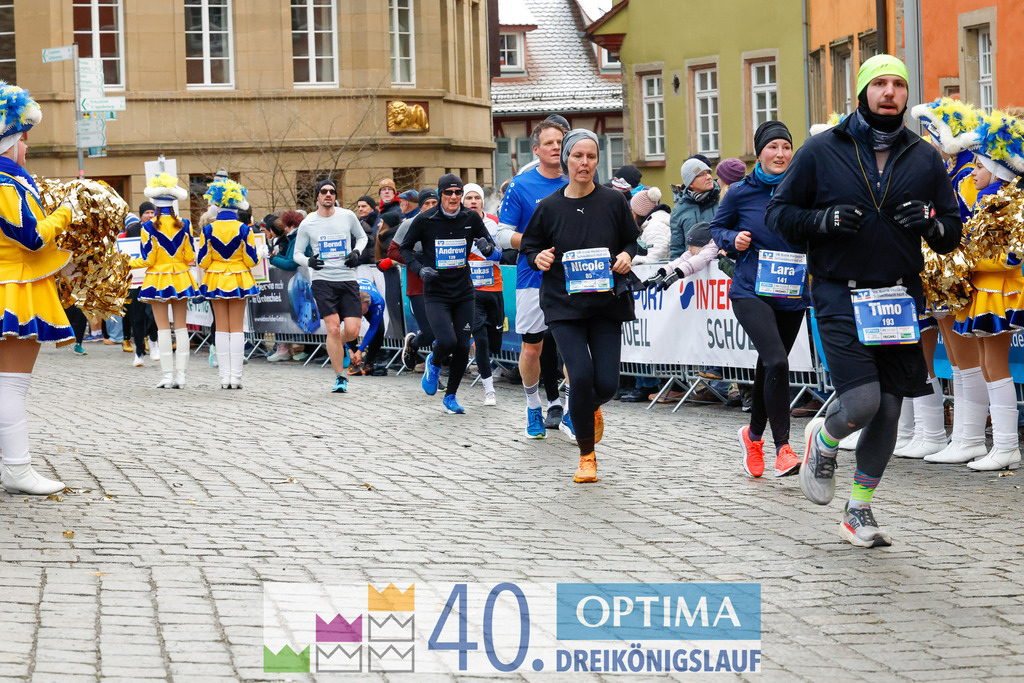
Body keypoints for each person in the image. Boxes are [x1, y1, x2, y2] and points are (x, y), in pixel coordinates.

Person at [766, 54, 962, 547]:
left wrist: (931, 225)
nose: (891, 92)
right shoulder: (820, 150)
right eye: (881, 84)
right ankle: (825, 437)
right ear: (863, 92)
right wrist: (821, 222)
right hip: (838, 292)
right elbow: (779, 213)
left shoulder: (923, 156)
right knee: (863, 401)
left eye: (899, 84)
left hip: (898, 297)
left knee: (891, 410)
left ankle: (859, 509)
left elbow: (951, 232)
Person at [520, 129, 639, 483]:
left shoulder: (613, 202)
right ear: (565, 160)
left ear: (597, 161)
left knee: (607, 384)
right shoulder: (549, 207)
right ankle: (587, 456)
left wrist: (625, 256)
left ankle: (592, 407)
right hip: (564, 307)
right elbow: (529, 247)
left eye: (590, 156)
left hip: (605, 305)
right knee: (581, 377)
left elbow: (632, 241)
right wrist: (537, 256)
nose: (584, 163)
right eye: (577, 156)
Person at [706, 121, 807, 478]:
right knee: (778, 362)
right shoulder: (740, 192)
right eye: (773, 147)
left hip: (792, 291)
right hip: (750, 290)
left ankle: (753, 436)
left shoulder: (801, 188)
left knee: (769, 365)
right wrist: (735, 239)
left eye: (785, 147)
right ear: (759, 152)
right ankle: (783, 449)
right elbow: (715, 229)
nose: (780, 154)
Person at [0, 81, 74, 494]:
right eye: (24, 141)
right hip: (12, 287)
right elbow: (30, 237)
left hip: (10, 280)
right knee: (11, 383)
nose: (27, 149)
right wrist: (66, 213)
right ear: (9, 143)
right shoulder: (6, 183)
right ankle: (17, 470)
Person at [910, 99, 987, 464]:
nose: (931, 142)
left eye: (935, 135)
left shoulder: (966, 174)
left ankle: (969, 436)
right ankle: (948, 435)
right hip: (936, 269)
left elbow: (971, 223)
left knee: (965, 356)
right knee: (954, 358)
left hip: (958, 270)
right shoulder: (946, 171)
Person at [948, 111, 1024, 471]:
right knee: (985, 365)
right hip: (982, 289)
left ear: (998, 170)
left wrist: (968, 260)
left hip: (998, 292)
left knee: (996, 364)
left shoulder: (1004, 203)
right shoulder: (985, 201)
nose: (973, 171)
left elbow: (1010, 257)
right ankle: (996, 443)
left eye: (980, 165)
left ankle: (1007, 445)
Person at [496, 118, 570, 438]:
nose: (556, 148)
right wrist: (531, 243)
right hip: (532, 277)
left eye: (560, 142)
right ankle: (532, 406)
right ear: (537, 150)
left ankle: (569, 409)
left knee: (575, 346)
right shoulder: (521, 185)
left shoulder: (579, 181)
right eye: (550, 143)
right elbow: (501, 234)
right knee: (532, 350)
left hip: (573, 277)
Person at [399, 174, 496, 414]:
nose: (454, 197)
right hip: (436, 292)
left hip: (464, 291)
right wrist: (420, 270)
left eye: (457, 192)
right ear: (440, 194)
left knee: (463, 346)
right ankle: (433, 361)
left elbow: (488, 240)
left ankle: (450, 397)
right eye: (448, 192)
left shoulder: (470, 217)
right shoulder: (425, 220)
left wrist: (487, 246)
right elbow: (404, 249)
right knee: (447, 341)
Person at [292, 179, 368, 393]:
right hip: (322, 279)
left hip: (347, 277)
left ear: (336, 196)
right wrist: (310, 262)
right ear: (317, 196)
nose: (328, 195)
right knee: (333, 328)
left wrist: (356, 253)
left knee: (352, 330)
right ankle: (340, 377)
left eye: (332, 192)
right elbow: (297, 254)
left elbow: (362, 239)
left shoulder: (347, 216)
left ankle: (334, 345)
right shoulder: (308, 222)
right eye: (323, 191)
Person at [129, 173, 199, 389]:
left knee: (162, 329)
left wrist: (126, 262)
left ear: (155, 204)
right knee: (180, 327)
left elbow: (148, 258)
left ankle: (167, 377)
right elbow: (190, 257)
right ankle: (182, 376)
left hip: (158, 279)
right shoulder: (185, 224)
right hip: (180, 277)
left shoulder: (148, 227)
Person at [198, 178, 263, 389]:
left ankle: (224, 378)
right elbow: (251, 260)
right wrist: (260, 254)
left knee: (221, 328)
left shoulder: (208, 229)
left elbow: (203, 260)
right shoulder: (245, 229)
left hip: (216, 278)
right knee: (237, 328)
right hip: (238, 277)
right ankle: (236, 377)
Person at [388, 191, 439, 370]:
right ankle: (414, 344)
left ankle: (435, 370)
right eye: (427, 203)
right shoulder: (409, 224)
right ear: (420, 205)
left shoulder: (446, 223)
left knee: (445, 333)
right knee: (431, 333)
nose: (431, 207)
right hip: (418, 286)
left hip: (443, 285)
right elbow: (392, 251)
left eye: (434, 202)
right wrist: (416, 259)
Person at [464, 183, 504, 405]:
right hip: (472, 291)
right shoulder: (458, 223)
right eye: (468, 198)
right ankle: (489, 389)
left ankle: (490, 371)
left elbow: (503, 255)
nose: (472, 201)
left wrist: (490, 251)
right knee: (480, 340)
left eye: (476, 198)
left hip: (494, 287)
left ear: (481, 201)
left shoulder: (493, 223)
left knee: (495, 343)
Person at [267, 210, 308, 363]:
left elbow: (291, 263)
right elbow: (289, 258)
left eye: (285, 225)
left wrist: (272, 259)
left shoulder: (297, 238)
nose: (283, 229)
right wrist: (275, 257)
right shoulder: (293, 238)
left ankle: (306, 349)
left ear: (291, 225)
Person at [670, 157, 721, 259]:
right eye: (701, 175)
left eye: (708, 173)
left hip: (720, 268)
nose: (708, 177)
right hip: (691, 270)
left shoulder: (723, 199)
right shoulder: (679, 209)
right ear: (690, 183)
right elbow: (677, 248)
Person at [346, 279, 386, 376]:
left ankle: (369, 361)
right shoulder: (347, 301)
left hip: (371, 303)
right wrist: (349, 350)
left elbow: (373, 328)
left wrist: (360, 350)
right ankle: (352, 362)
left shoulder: (378, 302)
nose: (361, 316)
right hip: (353, 301)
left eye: (363, 312)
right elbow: (338, 327)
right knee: (351, 328)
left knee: (380, 331)